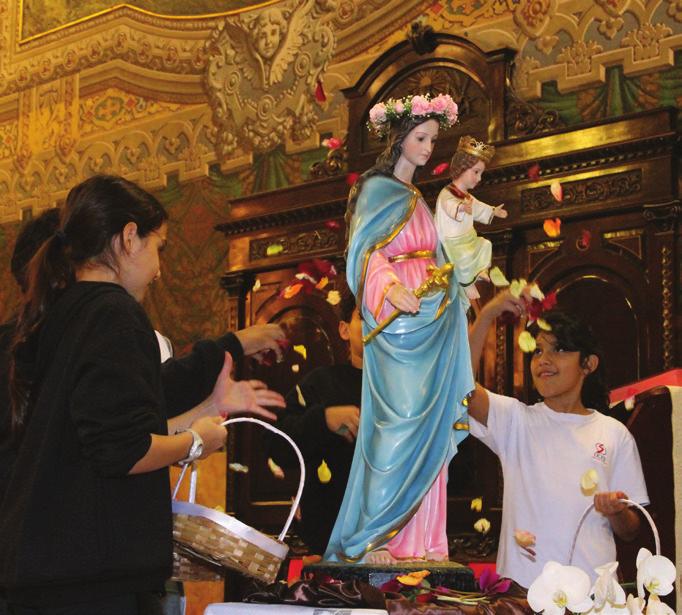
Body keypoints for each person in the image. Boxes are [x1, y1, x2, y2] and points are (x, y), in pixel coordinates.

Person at [0, 175, 283, 614]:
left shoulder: (64, 313)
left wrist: (208, 406)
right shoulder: (113, 311)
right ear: (129, 237)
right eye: (158, 247)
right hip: (92, 580)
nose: (158, 268)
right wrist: (198, 441)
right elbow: (122, 450)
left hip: (50, 570)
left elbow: (104, 426)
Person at [324, 94, 475, 564]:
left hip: (432, 318)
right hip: (399, 323)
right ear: (398, 140)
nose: (430, 148)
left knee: (429, 426)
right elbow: (365, 254)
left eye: (434, 139)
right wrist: (388, 288)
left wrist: (461, 284)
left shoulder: (418, 198)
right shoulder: (377, 191)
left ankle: (423, 543)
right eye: (421, 138)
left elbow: (435, 256)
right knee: (399, 422)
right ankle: (376, 537)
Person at [467, 291, 649, 587]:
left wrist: (615, 512)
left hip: (594, 595)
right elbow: (461, 387)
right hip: (523, 591)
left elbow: (631, 530)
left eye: (560, 349)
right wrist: (487, 313)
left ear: (588, 364)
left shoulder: (614, 434)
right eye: (538, 351)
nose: (544, 360)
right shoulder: (515, 420)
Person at [269, 284, 362, 555]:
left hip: (398, 534)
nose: (378, 324)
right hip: (330, 537)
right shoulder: (322, 383)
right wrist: (323, 420)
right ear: (344, 329)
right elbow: (278, 445)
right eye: (365, 317)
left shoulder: (407, 388)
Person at [435, 135, 507, 301]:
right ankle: (467, 285)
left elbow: (478, 207)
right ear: (462, 168)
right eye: (476, 172)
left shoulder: (467, 196)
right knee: (464, 258)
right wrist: (460, 208)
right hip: (452, 242)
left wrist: (493, 211)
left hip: (468, 238)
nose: (479, 178)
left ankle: (480, 271)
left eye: (480, 173)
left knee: (485, 244)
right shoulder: (447, 193)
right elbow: (449, 205)